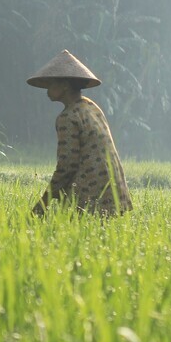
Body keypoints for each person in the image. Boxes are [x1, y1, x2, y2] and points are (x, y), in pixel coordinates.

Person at [27, 50, 132, 217]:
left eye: (52, 84)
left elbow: (67, 166)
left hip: (90, 195)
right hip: (114, 191)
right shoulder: (91, 107)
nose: (47, 89)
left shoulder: (67, 117)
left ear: (66, 86)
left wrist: (42, 203)